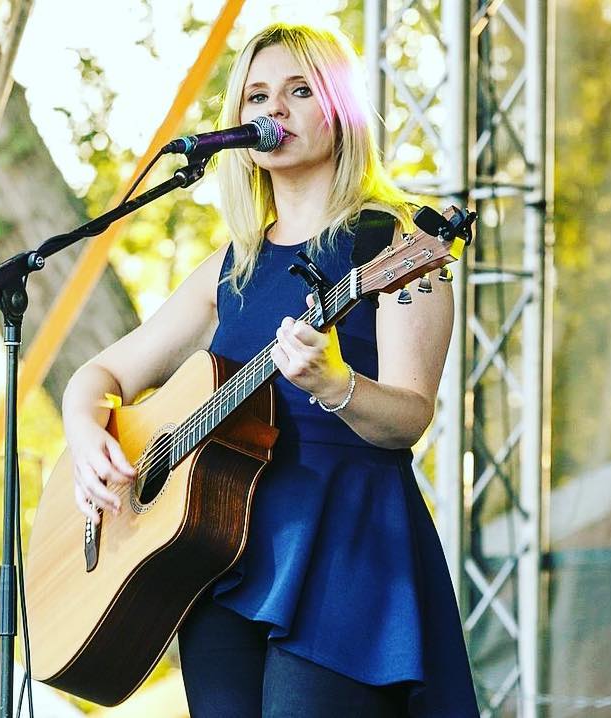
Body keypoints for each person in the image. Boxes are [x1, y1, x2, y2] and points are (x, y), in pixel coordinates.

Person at [61, 22, 479, 718]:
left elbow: (409, 416)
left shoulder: (398, 246)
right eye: (256, 96)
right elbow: (101, 373)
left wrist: (335, 386)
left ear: (341, 113)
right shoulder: (231, 268)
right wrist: (85, 434)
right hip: (221, 552)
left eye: (298, 91)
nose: (273, 110)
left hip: (345, 544)